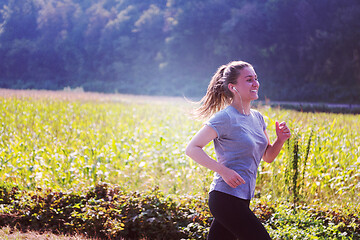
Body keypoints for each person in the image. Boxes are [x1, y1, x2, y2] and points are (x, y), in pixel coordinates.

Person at [185, 60, 291, 240]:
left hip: (242, 197)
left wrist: (280, 140)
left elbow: (268, 156)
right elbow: (192, 148)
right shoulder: (225, 118)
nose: (256, 83)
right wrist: (223, 171)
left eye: (256, 78)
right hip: (224, 197)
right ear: (233, 87)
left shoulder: (258, 118)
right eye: (249, 79)